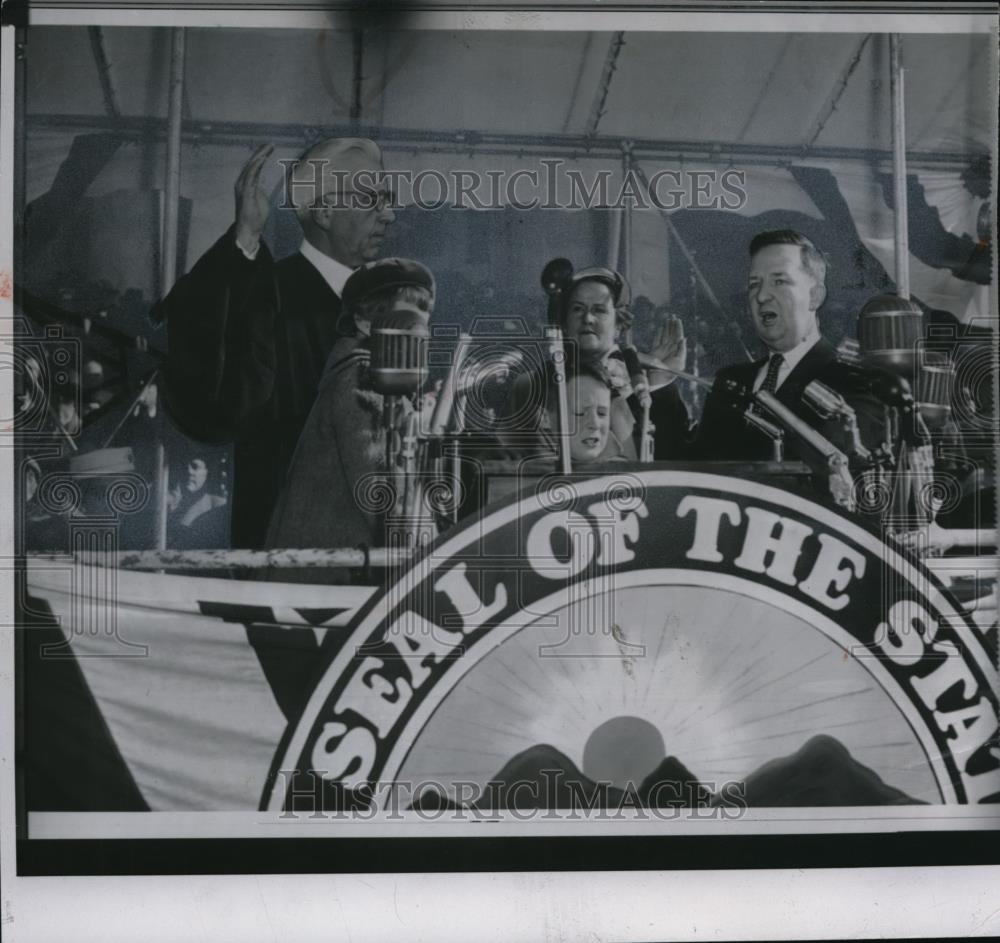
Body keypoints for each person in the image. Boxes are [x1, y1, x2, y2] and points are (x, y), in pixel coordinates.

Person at [154, 137, 397, 548]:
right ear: (323, 211)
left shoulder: (390, 303)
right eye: (372, 200)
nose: (389, 215)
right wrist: (246, 236)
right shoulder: (268, 293)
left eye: (388, 200)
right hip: (286, 542)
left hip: (375, 543)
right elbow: (206, 389)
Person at [265, 258, 436, 562]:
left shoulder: (372, 381)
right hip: (331, 584)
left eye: (425, 318)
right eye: (408, 320)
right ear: (365, 322)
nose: (421, 332)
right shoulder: (362, 382)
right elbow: (388, 501)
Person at [692, 230, 875, 462]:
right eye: (754, 284)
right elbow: (692, 466)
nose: (761, 296)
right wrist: (662, 386)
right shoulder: (730, 382)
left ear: (815, 296)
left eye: (779, 281)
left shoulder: (853, 383)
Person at [503, 266, 690, 461]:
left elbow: (679, 465)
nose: (588, 318)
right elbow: (512, 461)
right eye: (577, 309)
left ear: (619, 325)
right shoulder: (534, 384)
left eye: (599, 310)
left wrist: (656, 386)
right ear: (564, 324)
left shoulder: (652, 387)